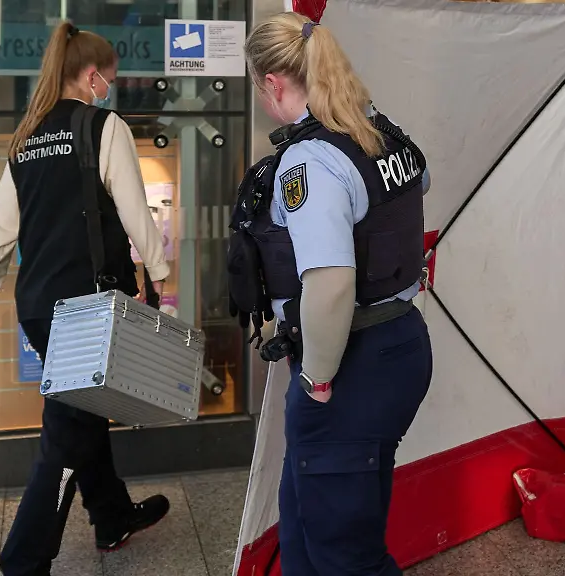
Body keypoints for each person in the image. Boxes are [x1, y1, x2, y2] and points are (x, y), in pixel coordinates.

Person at [0, 21, 172, 575]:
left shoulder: (27, 137)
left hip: (37, 305)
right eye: (111, 79)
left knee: (82, 414)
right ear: (92, 75)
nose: (112, 88)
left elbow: (0, 230)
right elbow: (135, 211)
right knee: (65, 435)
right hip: (87, 308)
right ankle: (24, 561)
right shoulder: (103, 127)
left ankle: (112, 516)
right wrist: (159, 272)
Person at [228, 12, 434, 575]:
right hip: (400, 341)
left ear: (272, 83)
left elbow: (330, 281)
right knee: (306, 524)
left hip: (351, 365)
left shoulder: (310, 160)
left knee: (343, 554)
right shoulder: (380, 130)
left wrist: (317, 376)